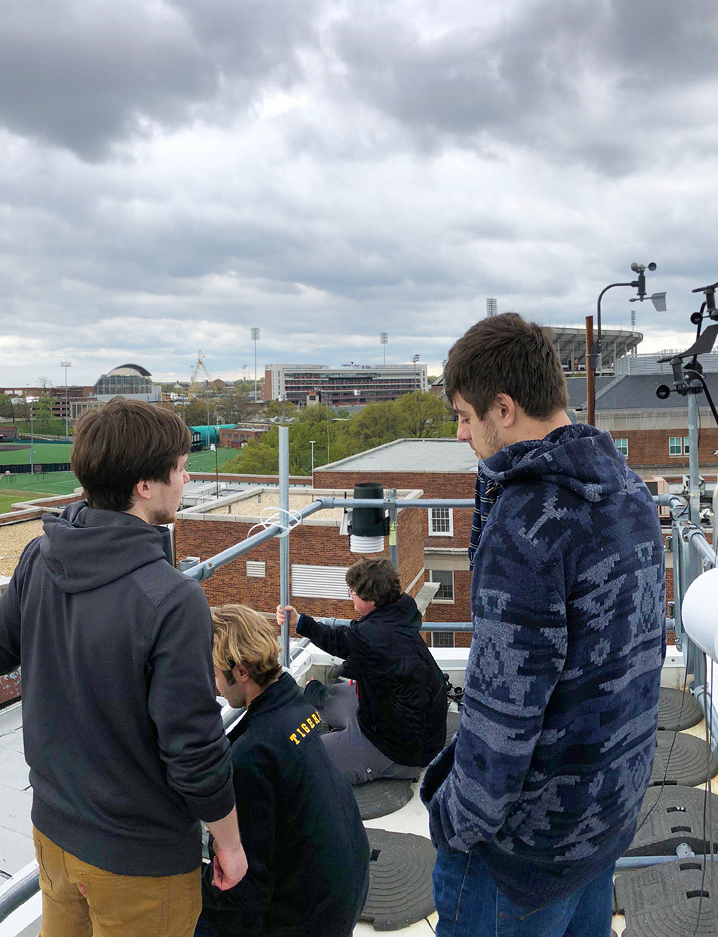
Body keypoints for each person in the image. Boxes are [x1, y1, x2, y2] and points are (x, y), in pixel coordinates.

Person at [421, 313, 665, 937]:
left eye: (463, 417)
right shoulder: (628, 491)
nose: (460, 434)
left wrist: (456, 819)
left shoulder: (527, 522)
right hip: (603, 820)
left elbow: (504, 708)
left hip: (522, 856)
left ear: (502, 408)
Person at [0, 397, 246, 937]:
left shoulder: (40, 554)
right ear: (145, 486)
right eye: (180, 466)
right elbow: (193, 749)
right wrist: (230, 843)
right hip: (137, 861)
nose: (187, 477)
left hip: (53, 836)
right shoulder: (172, 598)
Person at [197, 605, 369, 937]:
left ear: (242, 671)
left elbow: (247, 889)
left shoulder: (252, 756)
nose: (215, 685)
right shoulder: (298, 705)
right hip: (346, 894)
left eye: (216, 672)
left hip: (309, 922)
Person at [277, 557, 448, 786]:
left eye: (353, 592)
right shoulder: (400, 614)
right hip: (401, 727)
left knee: (298, 757)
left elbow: (341, 642)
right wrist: (301, 622)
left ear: (372, 600)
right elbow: (347, 642)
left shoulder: (373, 635)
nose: (351, 596)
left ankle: (380, 764)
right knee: (330, 695)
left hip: (397, 752)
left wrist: (302, 624)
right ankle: (317, 698)